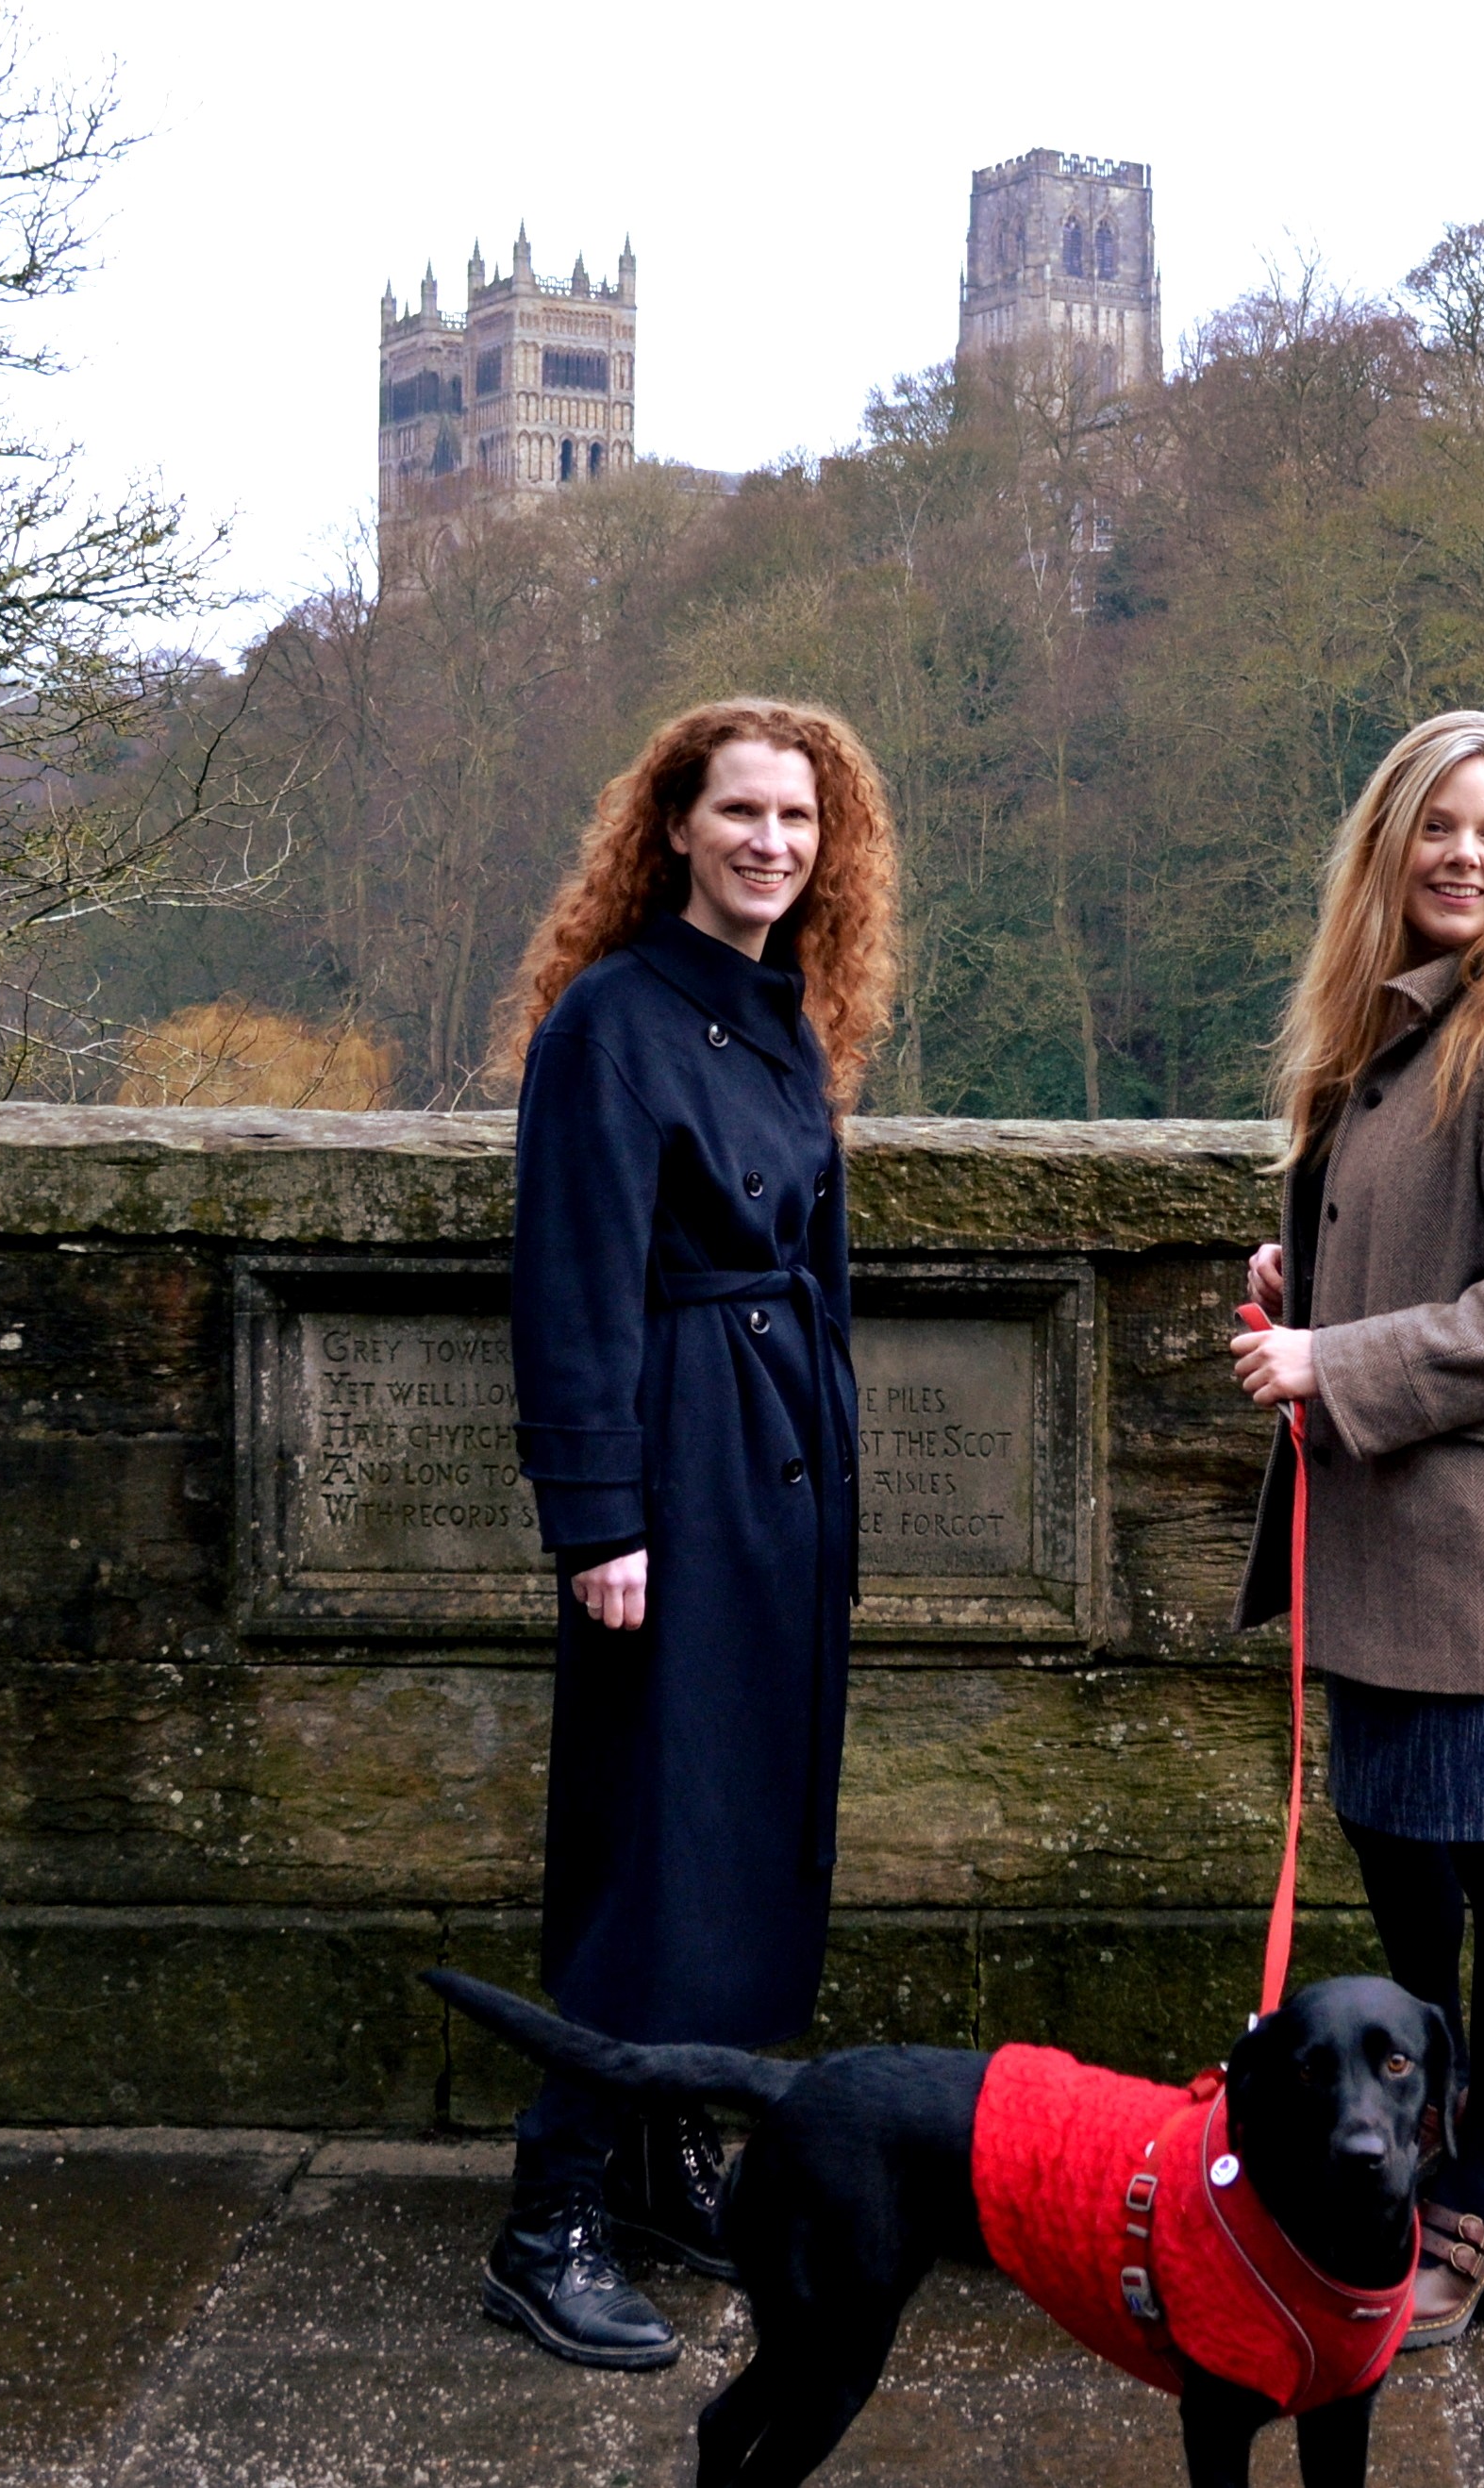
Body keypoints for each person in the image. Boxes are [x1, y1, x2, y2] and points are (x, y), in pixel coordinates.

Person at [481, 697, 899, 2368]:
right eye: (741, 814)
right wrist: (601, 1521)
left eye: (800, 821)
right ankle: (550, 2212)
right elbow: (570, 1285)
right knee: (649, 1844)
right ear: (672, 826)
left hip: (778, 1473)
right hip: (674, 1479)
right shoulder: (612, 1020)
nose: (774, 845)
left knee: (737, 1833)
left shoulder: (781, 1010)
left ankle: (663, 2153)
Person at [1226, 709, 1484, 2348]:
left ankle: (1480, 2190)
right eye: (1441, 827)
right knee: (1404, 1866)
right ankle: (1413, 2152)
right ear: (1390, 838)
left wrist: (1335, 1358)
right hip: (1383, 1535)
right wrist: (1297, 1288)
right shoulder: (1382, 1016)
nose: (1468, 856)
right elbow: (1395, 1228)